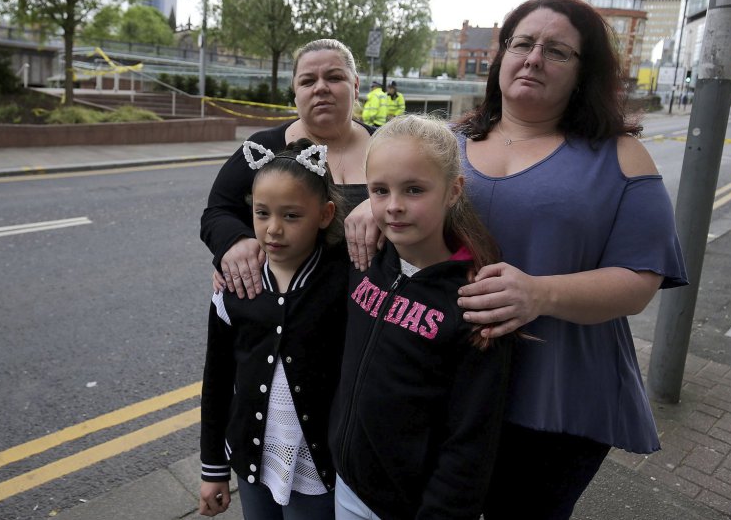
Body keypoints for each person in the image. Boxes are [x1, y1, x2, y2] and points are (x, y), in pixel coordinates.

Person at [345, 0, 687, 519]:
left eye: (557, 51)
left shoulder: (622, 157)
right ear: (501, 56)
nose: (533, 58)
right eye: (521, 43)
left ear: (583, 70)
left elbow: (640, 281)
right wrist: (372, 208)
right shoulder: (445, 141)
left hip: (556, 399)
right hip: (440, 386)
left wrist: (540, 294)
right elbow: (393, 189)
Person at [330, 114, 512, 520]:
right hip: (348, 483)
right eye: (380, 190)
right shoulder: (368, 261)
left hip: (407, 506)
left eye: (413, 190)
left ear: (453, 191)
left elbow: (470, 441)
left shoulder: (474, 301)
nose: (393, 207)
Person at [200, 139, 348, 519]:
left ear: (325, 214)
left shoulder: (345, 280)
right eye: (262, 213)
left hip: (318, 467)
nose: (273, 230)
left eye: (292, 216)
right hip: (252, 462)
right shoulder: (235, 284)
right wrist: (213, 467)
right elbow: (216, 380)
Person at [201, 38, 374, 300]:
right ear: (295, 92)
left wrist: (382, 203)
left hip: (372, 315)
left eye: (334, 77)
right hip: (290, 317)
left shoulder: (388, 148)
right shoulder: (261, 148)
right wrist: (234, 242)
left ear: (356, 85)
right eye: (307, 81)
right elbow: (217, 211)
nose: (321, 88)